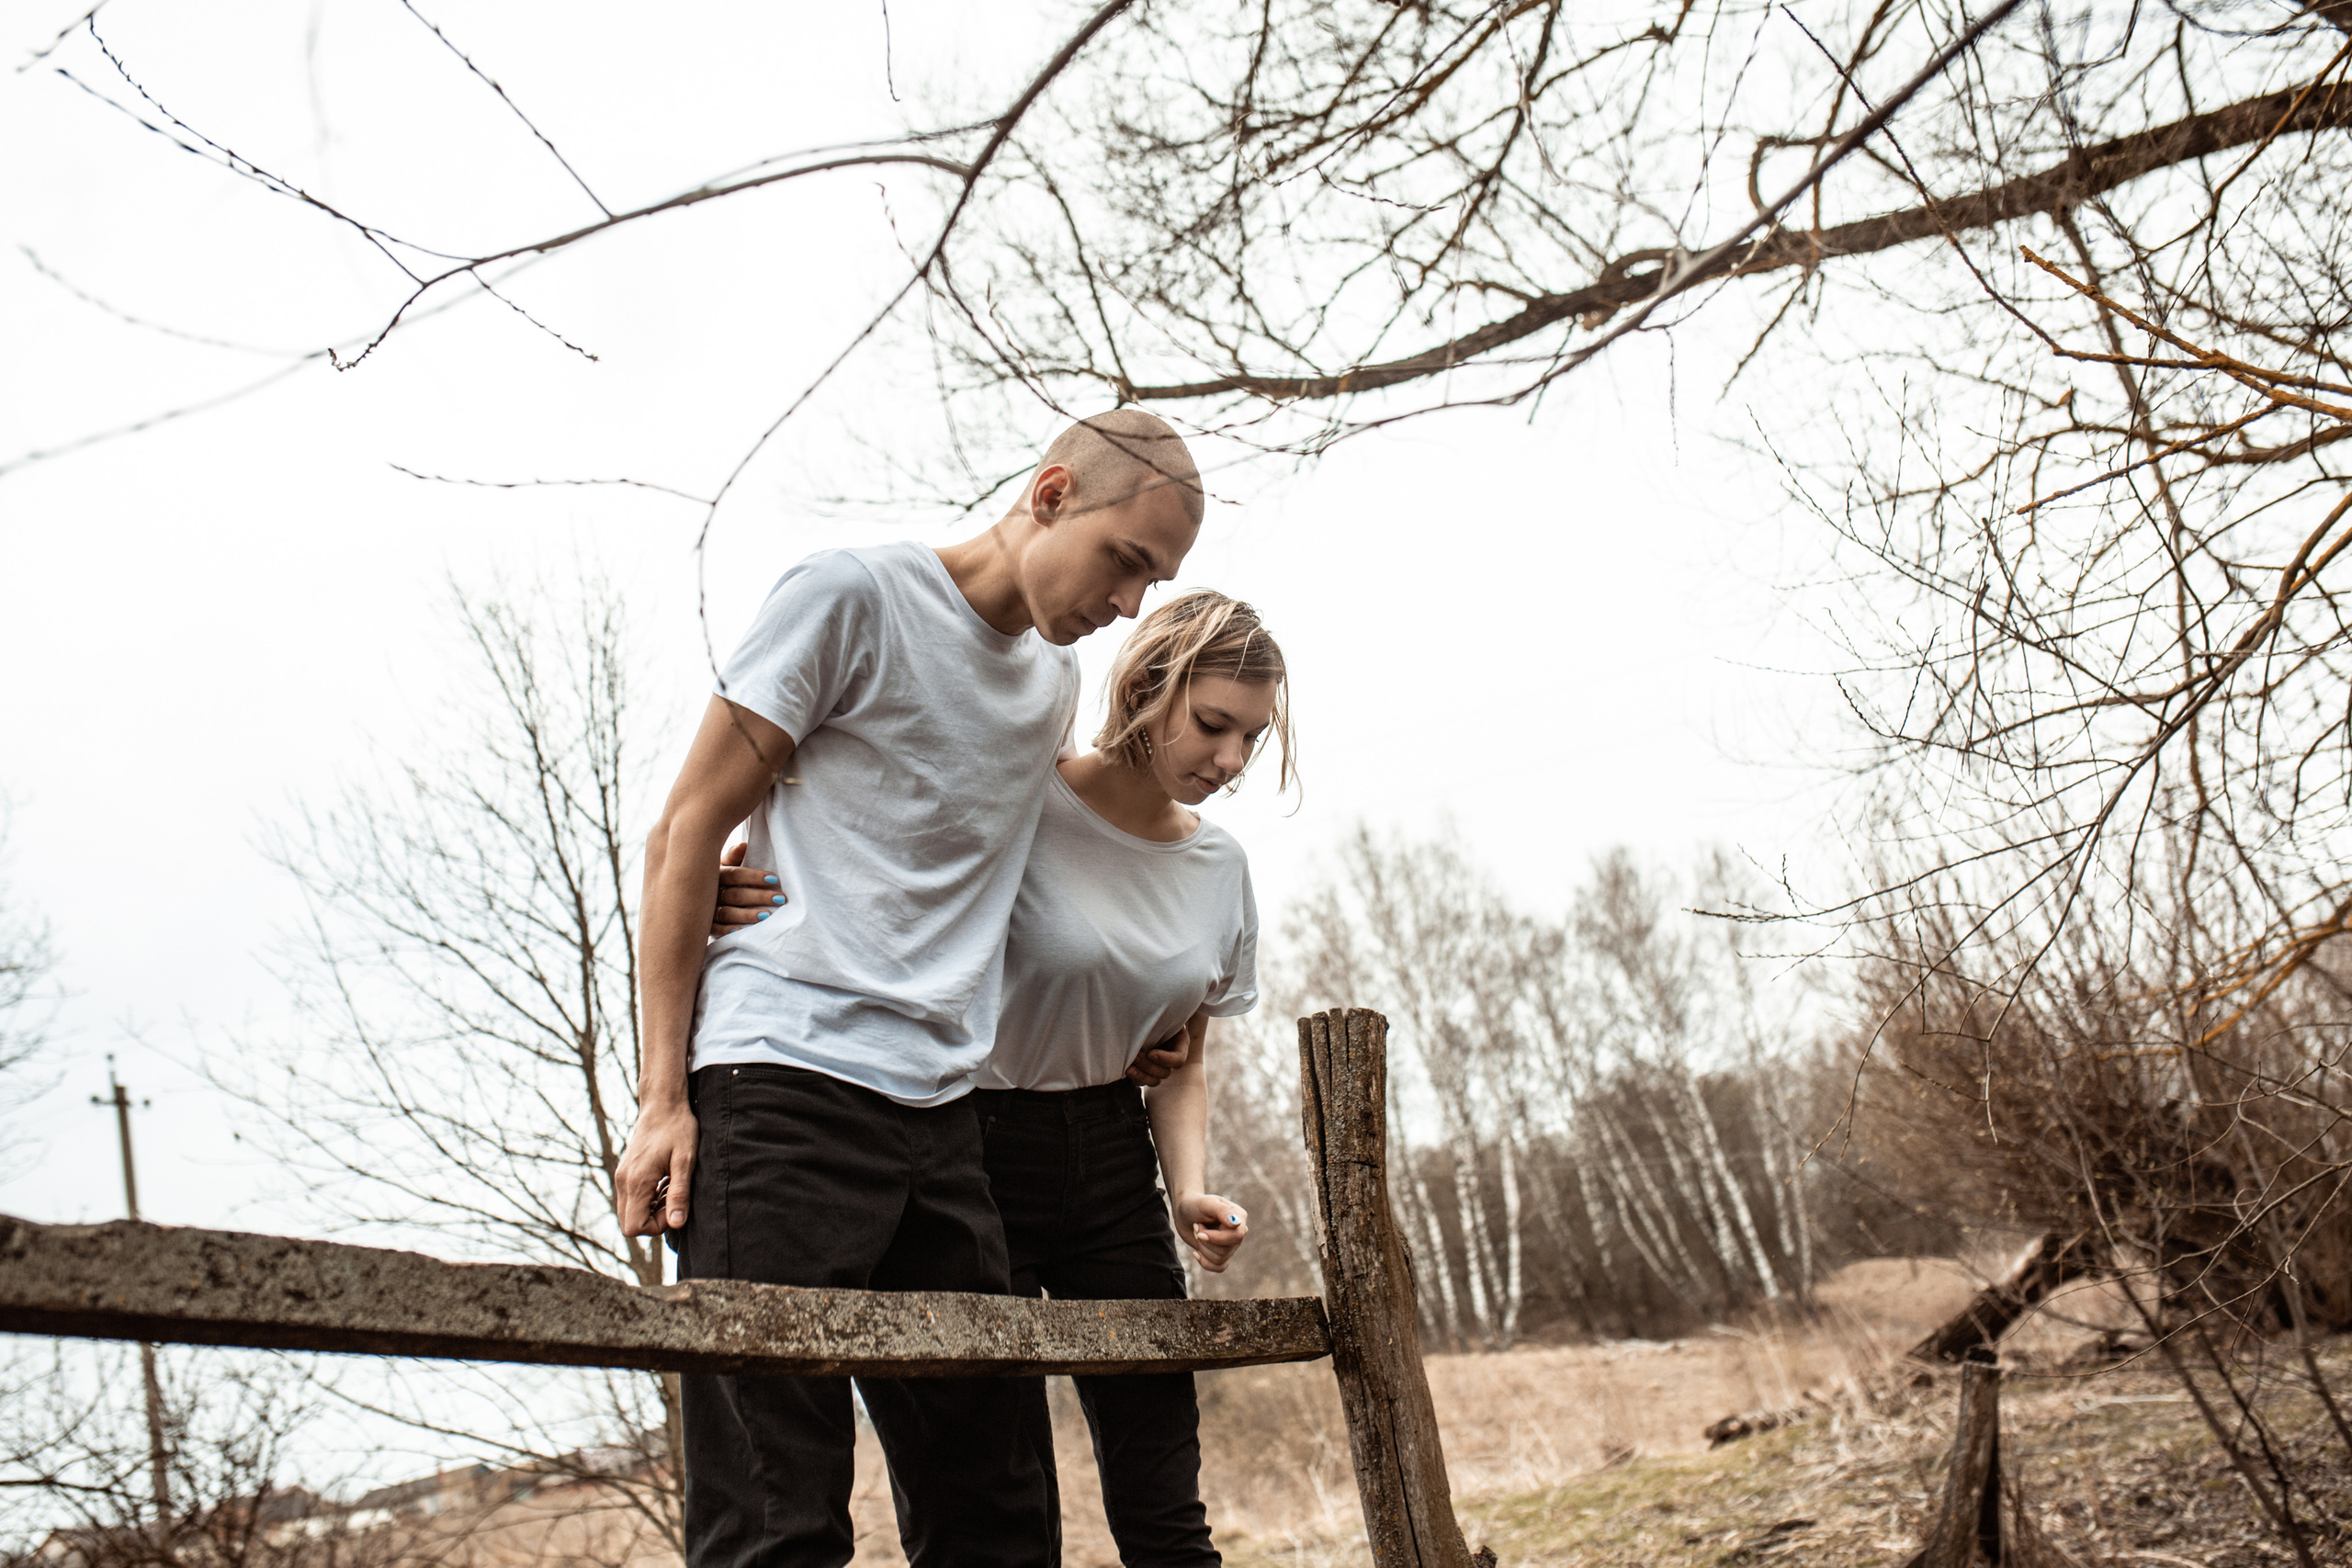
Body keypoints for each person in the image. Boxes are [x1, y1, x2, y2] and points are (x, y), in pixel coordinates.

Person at [612, 410, 1205, 1568]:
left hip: (942, 1123)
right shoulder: (851, 598)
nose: (1130, 602)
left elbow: (986, 871)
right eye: (1125, 560)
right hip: (778, 1092)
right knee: (776, 1525)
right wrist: (660, 1100)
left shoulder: (1050, 685)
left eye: (1157, 580)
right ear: (1049, 495)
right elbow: (687, 831)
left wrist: (1136, 1008)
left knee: (999, 1523)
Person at [714, 590, 1295, 1567]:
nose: (1231, 761)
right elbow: (877, 875)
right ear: (1148, 687)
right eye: (1213, 725)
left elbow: (1184, 1060)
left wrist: (1190, 1187)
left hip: (1113, 1164)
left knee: (1166, 1503)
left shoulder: (1219, 869)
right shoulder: (1021, 806)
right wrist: (745, 890)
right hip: (968, 1150)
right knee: (994, 1491)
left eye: (1252, 738)